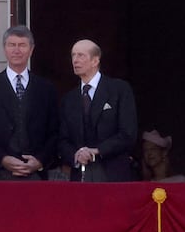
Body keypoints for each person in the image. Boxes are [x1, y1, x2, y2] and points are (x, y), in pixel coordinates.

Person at [0, 25, 59, 180]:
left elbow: (55, 132)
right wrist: (3, 159)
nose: (17, 50)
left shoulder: (46, 88)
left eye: (22, 45)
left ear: (31, 50)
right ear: (5, 49)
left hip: (36, 176)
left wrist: (39, 161)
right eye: (12, 45)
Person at [58, 39, 139, 182]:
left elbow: (128, 133)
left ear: (95, 61)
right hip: (80, 176)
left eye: (81, 55)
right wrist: (76, 155)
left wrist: (97, 151)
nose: (75, 60)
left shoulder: (119, 90)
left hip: (113, 174)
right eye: (73, 55)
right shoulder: (68, 99)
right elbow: (62, 139)